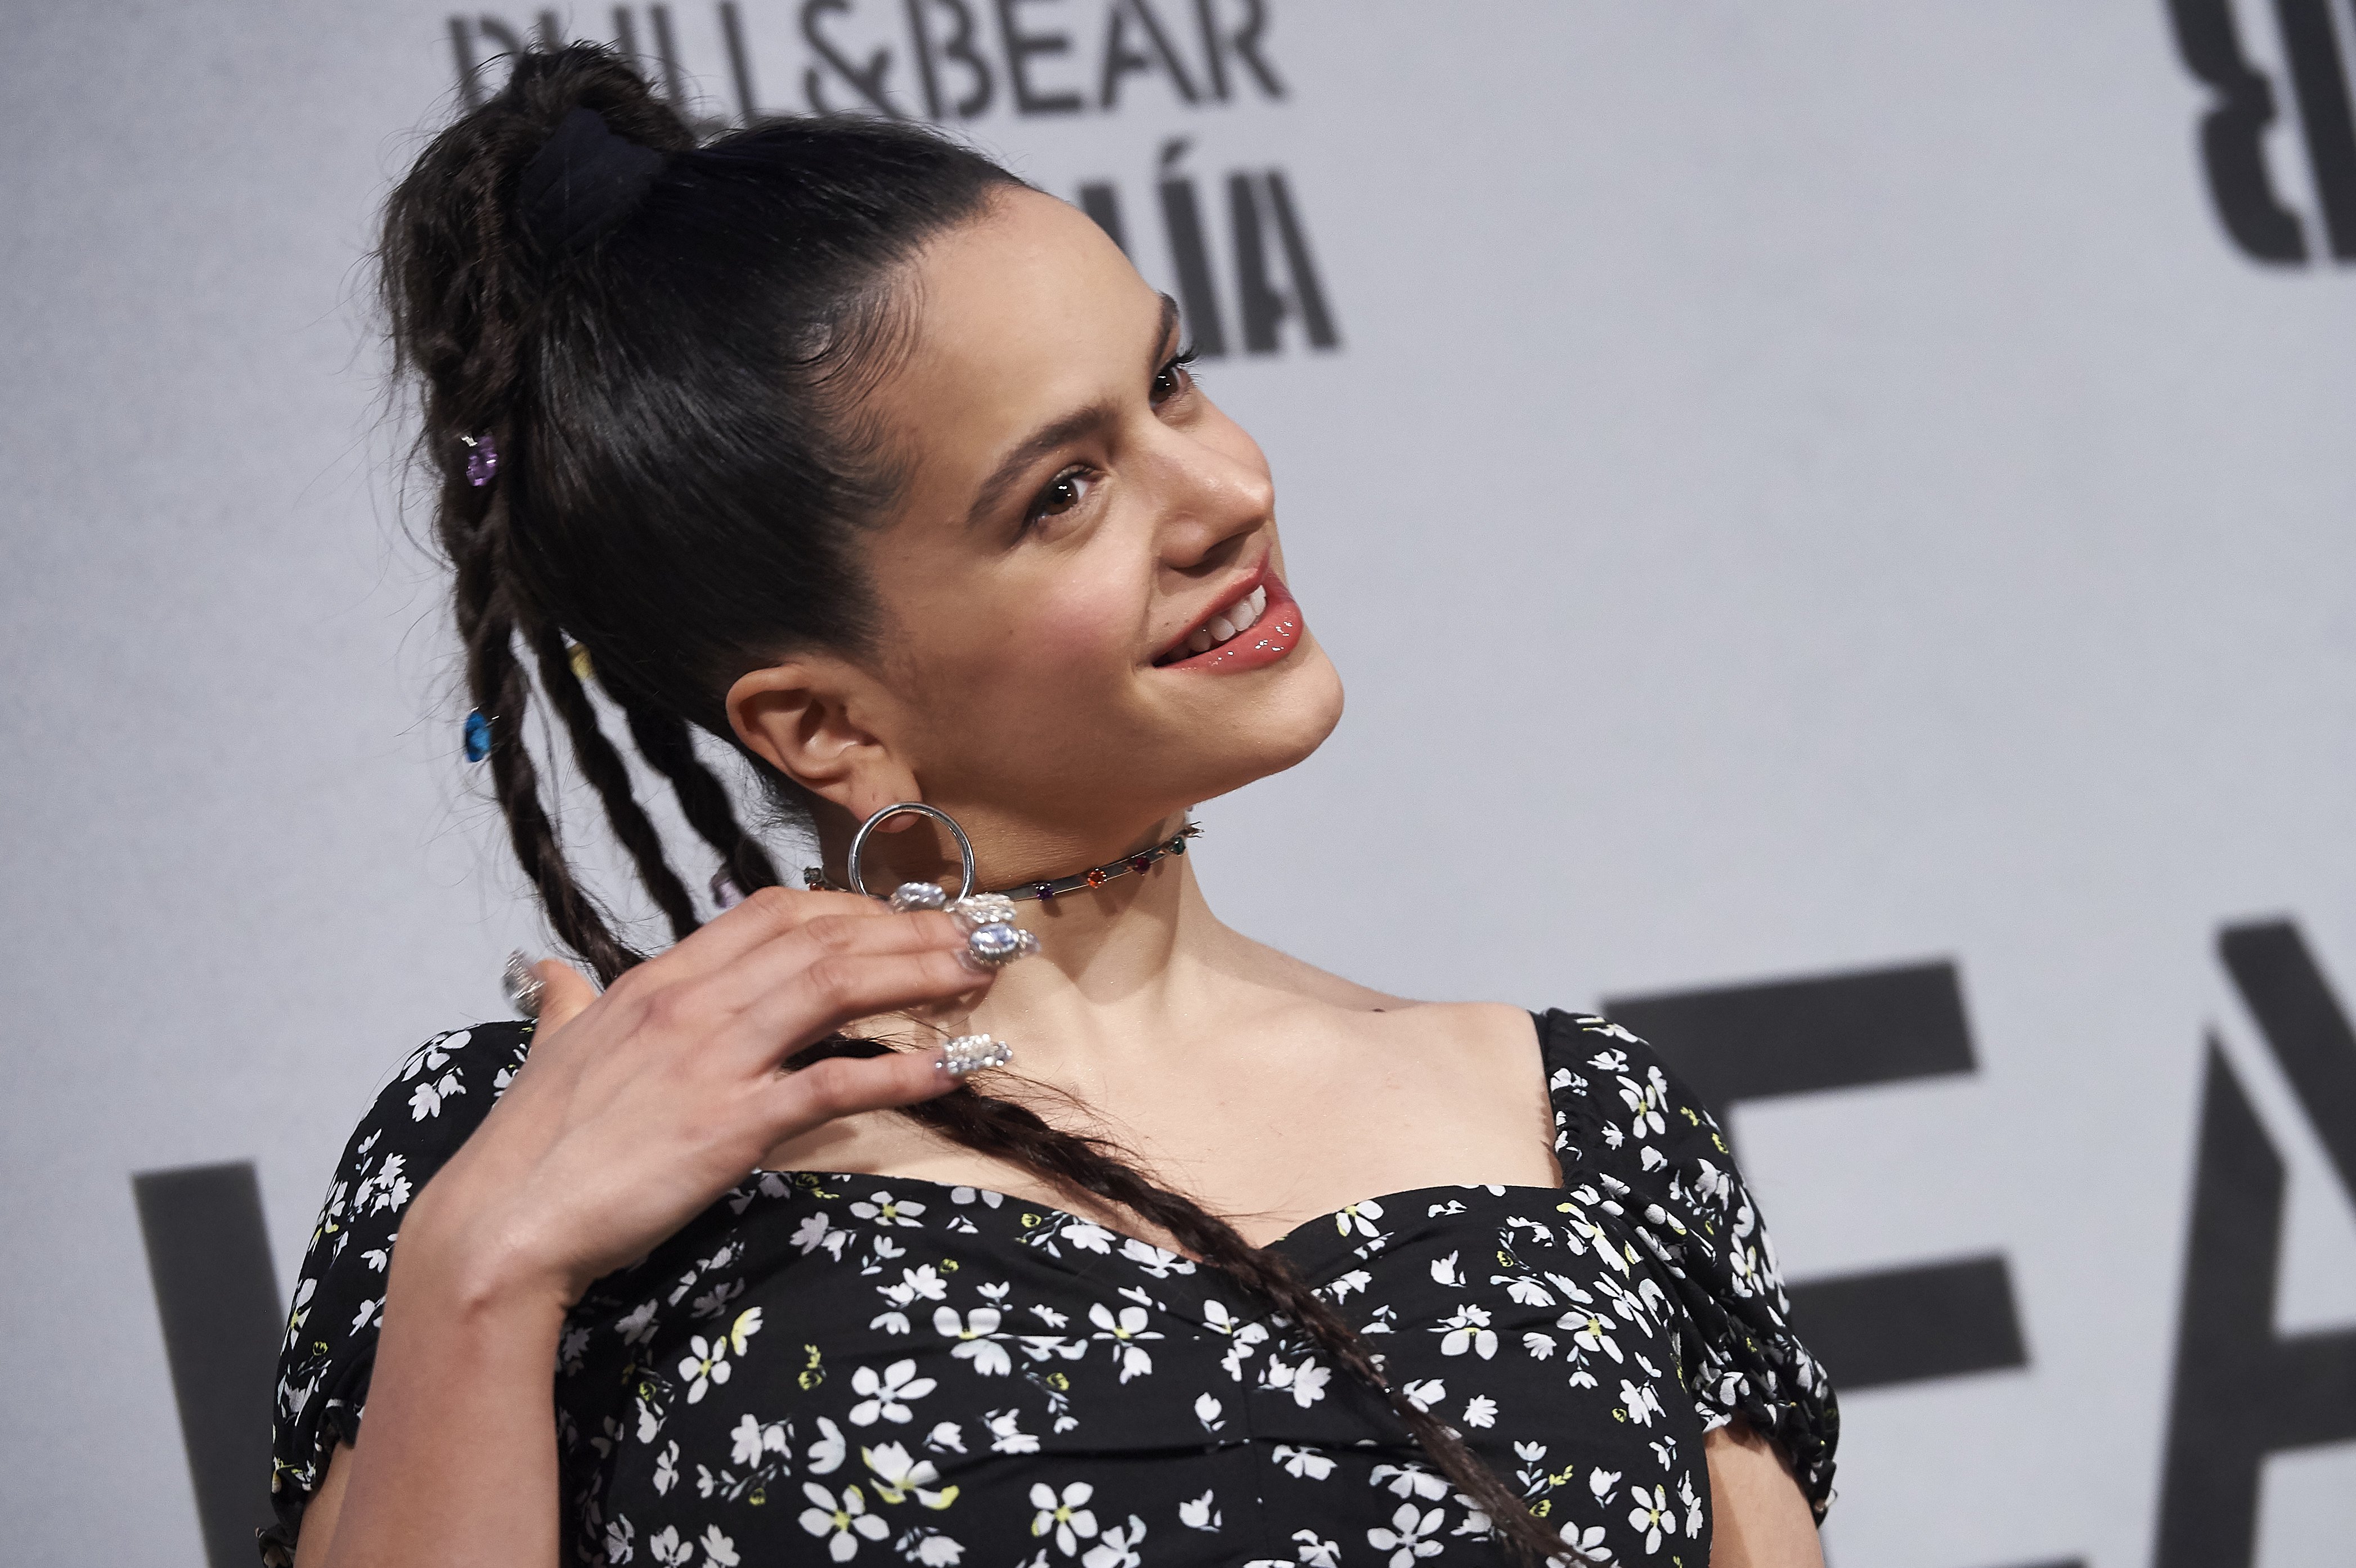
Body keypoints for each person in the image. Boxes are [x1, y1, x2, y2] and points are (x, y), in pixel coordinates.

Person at [266, 44, 1836, 1568]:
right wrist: (482, 1277)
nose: (1227, 494)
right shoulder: (533, 1161)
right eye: (1063, 491)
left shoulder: (1596, 1127)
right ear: (823, 720)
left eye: (1170, 381)